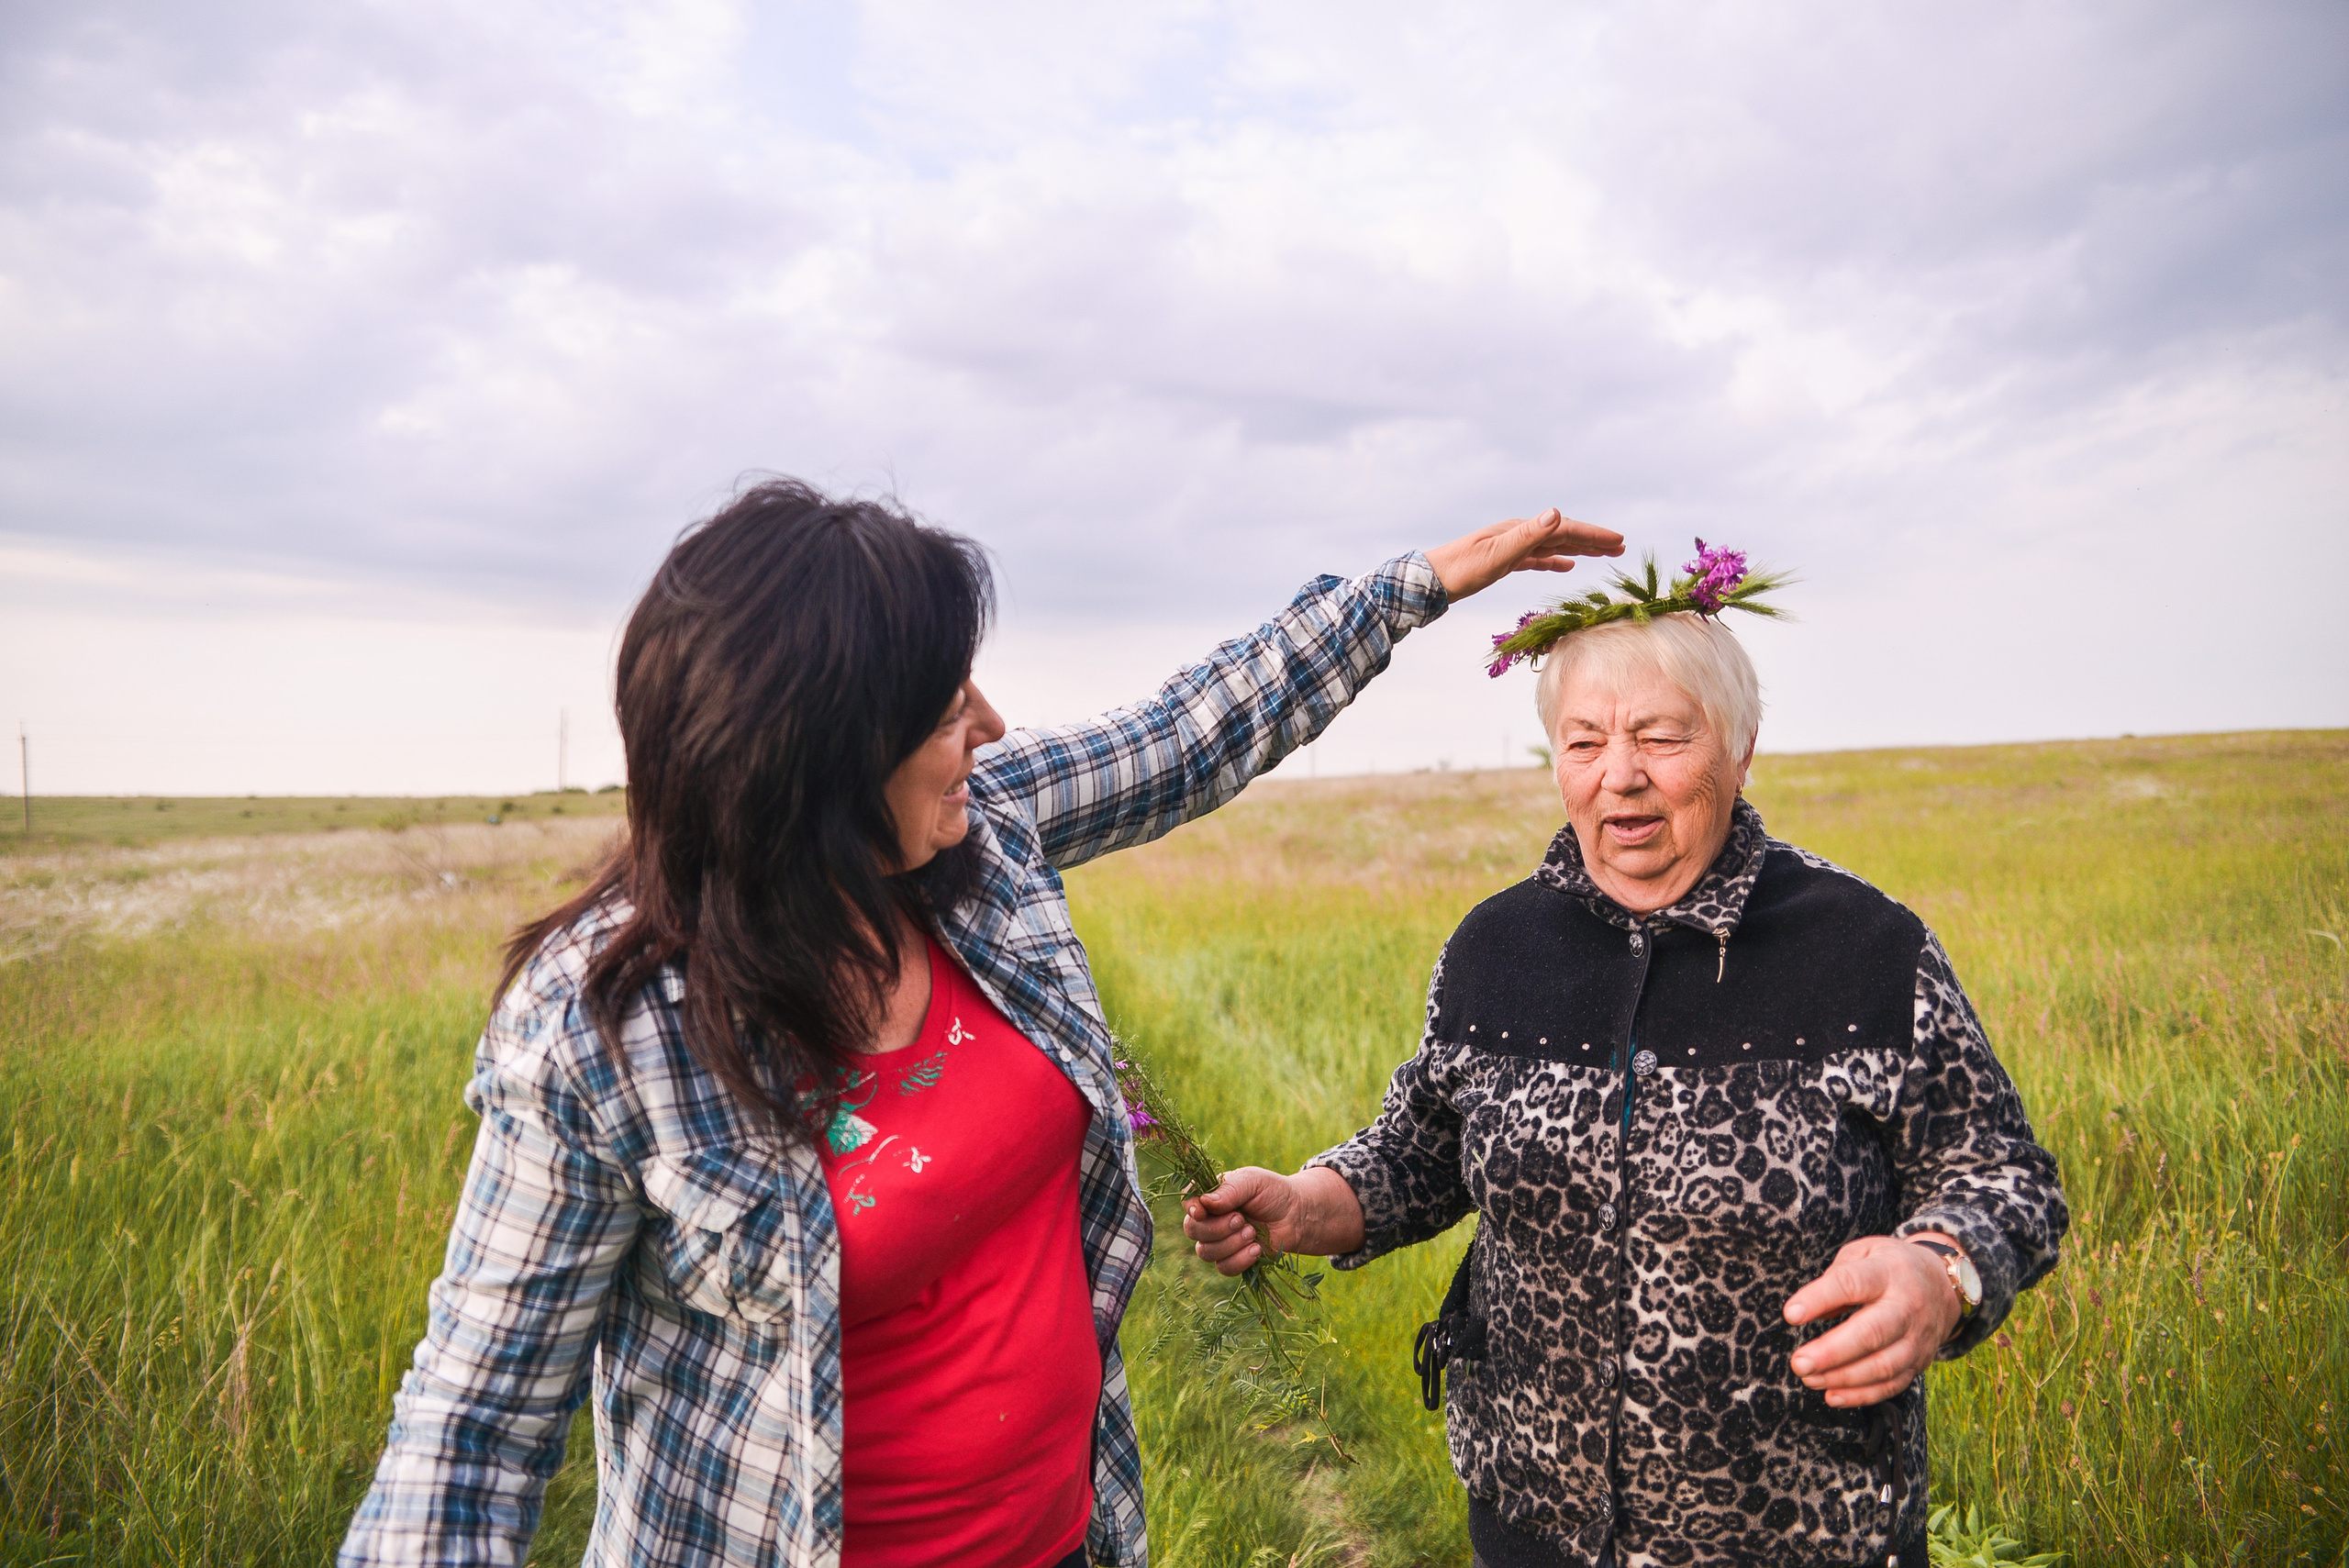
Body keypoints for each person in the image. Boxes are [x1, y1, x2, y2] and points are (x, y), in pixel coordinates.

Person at [337, 477, 1624, 1568]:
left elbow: (1187, 734)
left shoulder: (984, 835)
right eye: (949, 703)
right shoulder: (602, 1031)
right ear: (823, 751)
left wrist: (1413, 587)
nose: (991, 726)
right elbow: (468, 1435)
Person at [1184, 559, 2067, 1568]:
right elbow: (1422, 1150)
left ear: (1739, 747)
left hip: (1797, 1530)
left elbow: (2004, 1176)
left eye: (1660, 734)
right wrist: (1304, 1202)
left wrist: (1941, 1269)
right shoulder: (1496, 945)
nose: (1620, 772)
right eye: (1585, 740)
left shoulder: (1864, 948)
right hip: (1532, 1521)